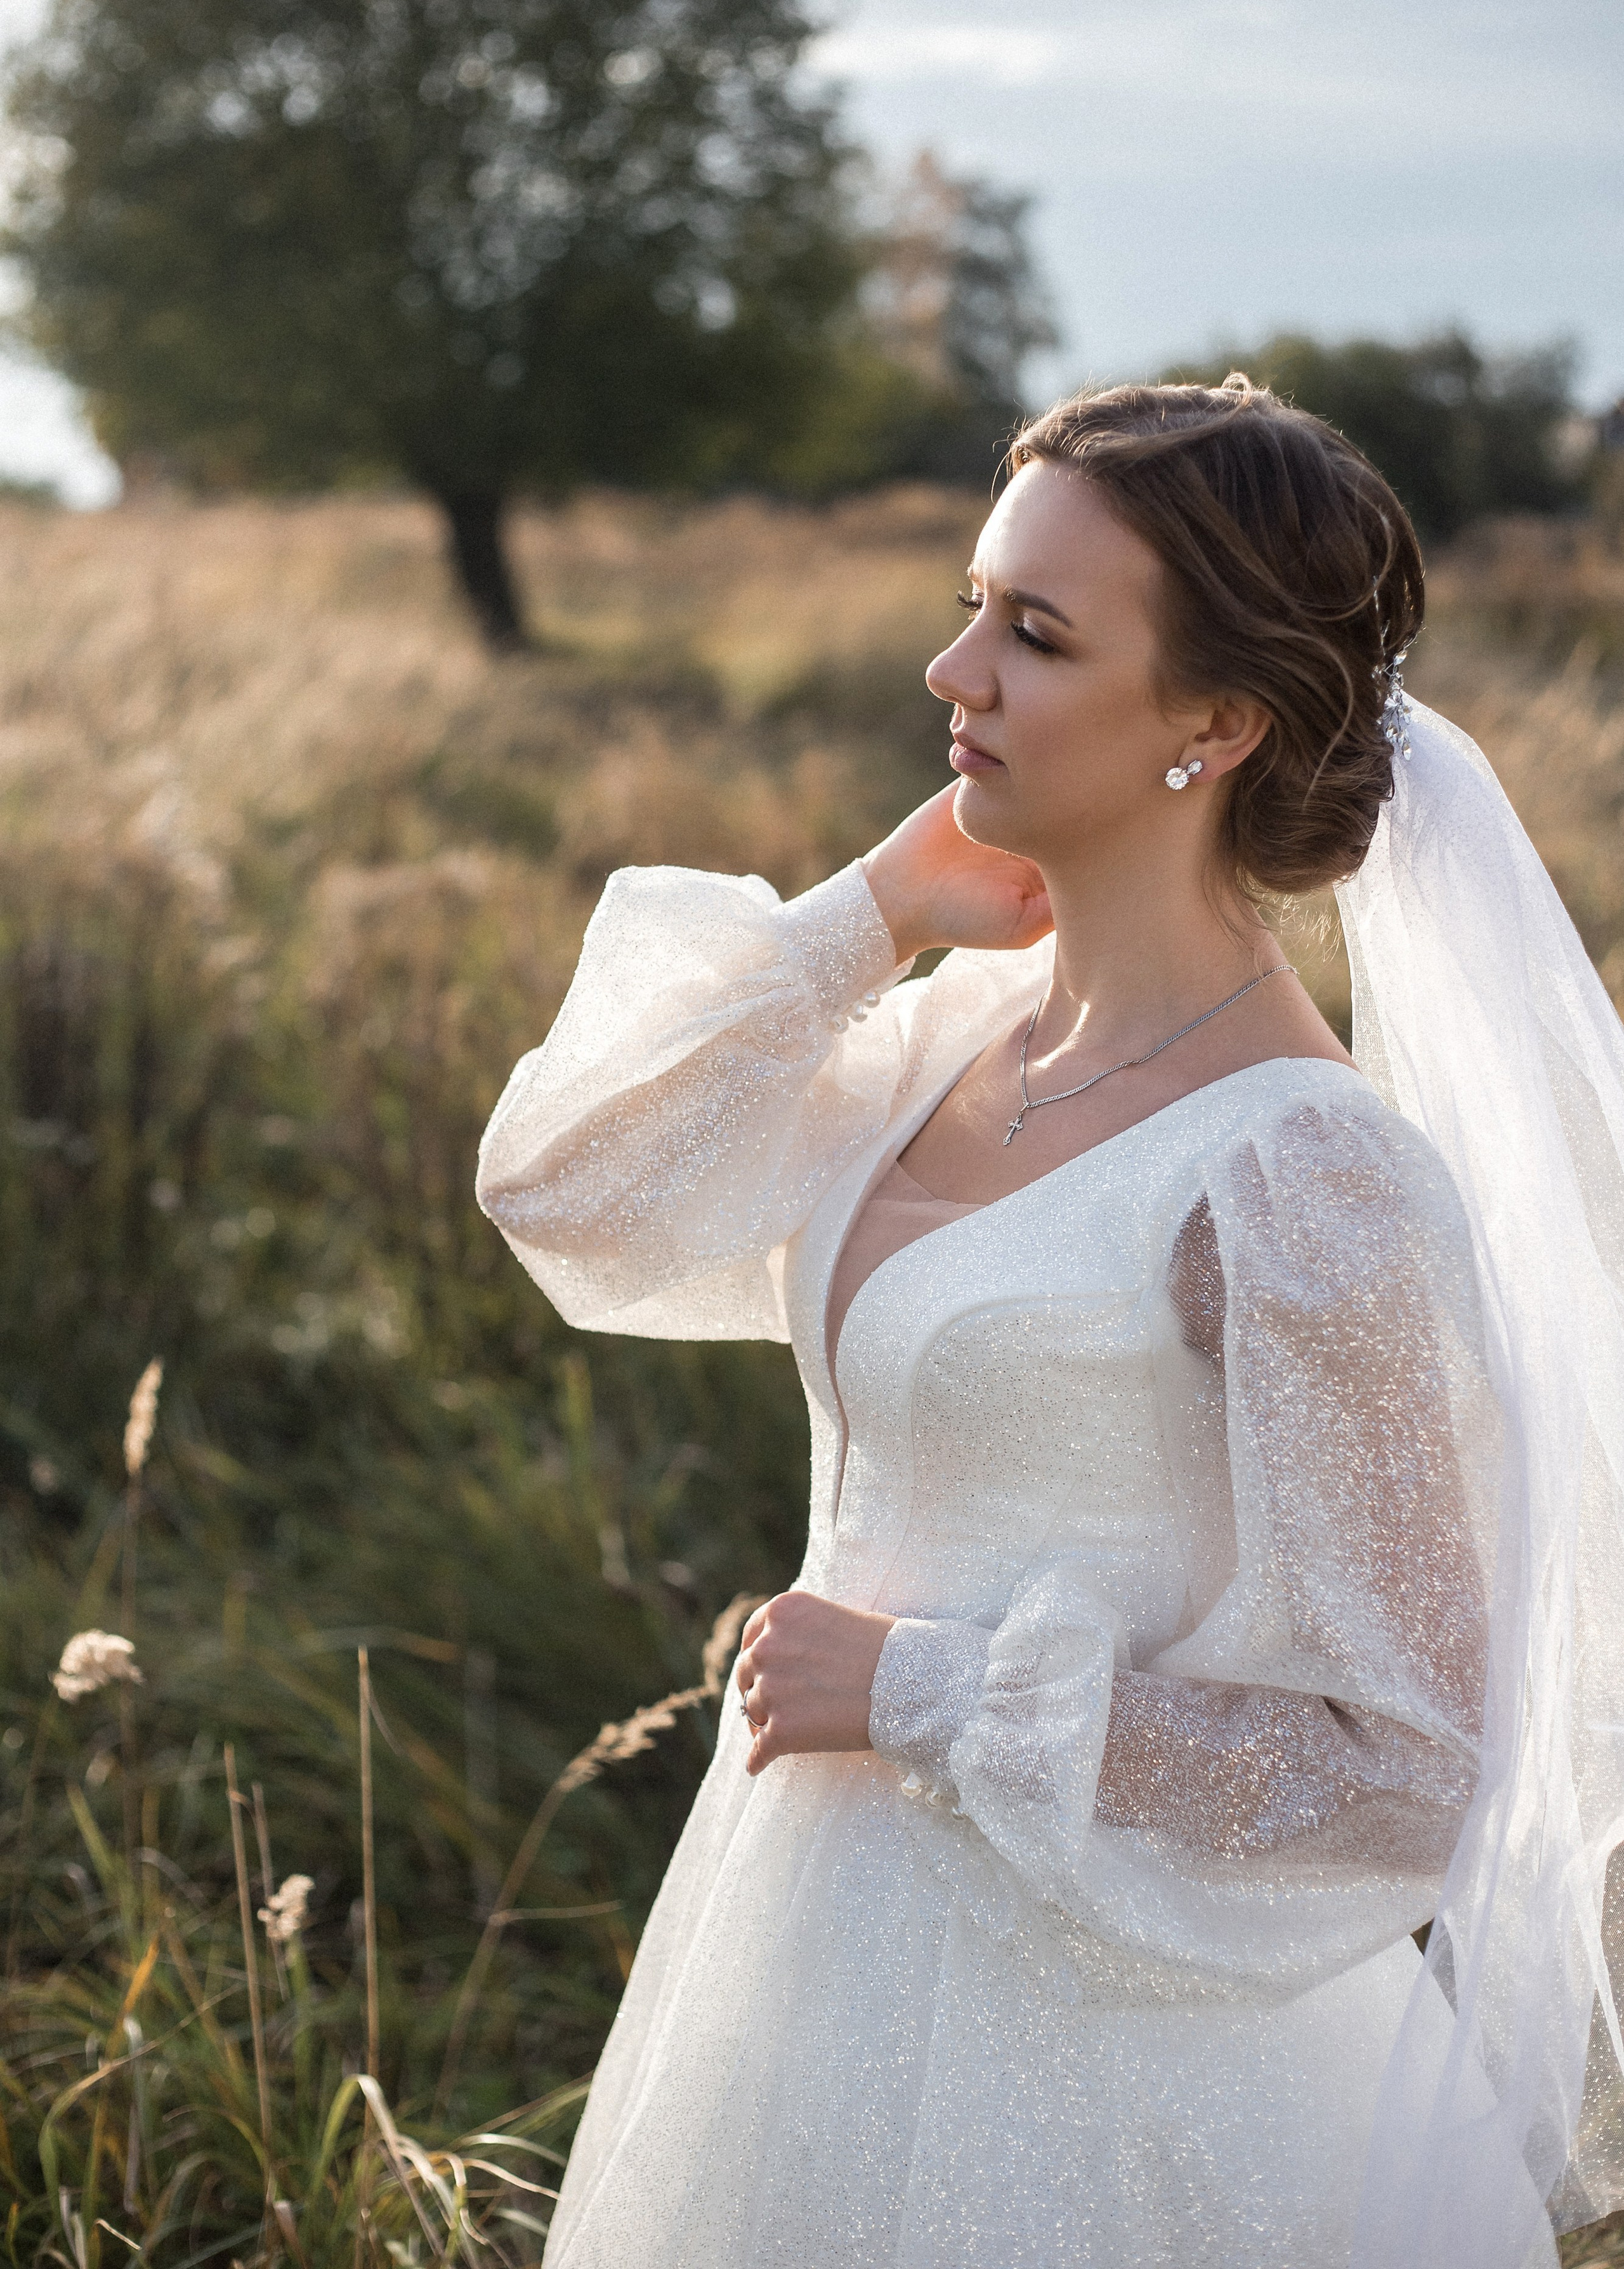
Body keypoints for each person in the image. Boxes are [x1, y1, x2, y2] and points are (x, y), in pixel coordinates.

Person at [476, 379, 1624, 2269]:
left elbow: (1407, 1766)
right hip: (801, 1955)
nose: (954, 670)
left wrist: (914, 1689)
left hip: (1124, 2071)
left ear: (1219, 723)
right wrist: (869, 914)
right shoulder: (935, 1038)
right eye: (971, 601)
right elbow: (560, 1193)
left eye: (1037, 632)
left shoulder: (1301, 1175)